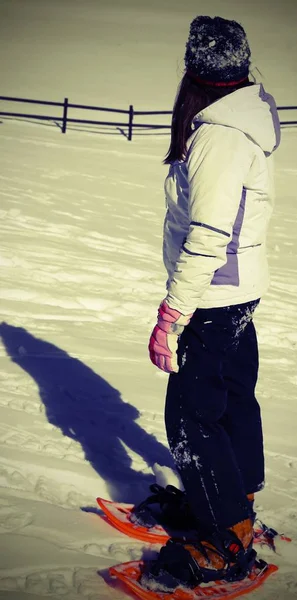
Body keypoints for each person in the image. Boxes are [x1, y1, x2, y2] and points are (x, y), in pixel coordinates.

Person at [141, 15, 281, 591]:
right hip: (238, 290)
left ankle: (227, 538)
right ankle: (234, 501)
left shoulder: (219, 135)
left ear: (194, 75)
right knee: (228, 402)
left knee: (190, 416)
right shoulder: (243, 117)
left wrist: (171, 314)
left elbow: (207, 234)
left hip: (214, 295)